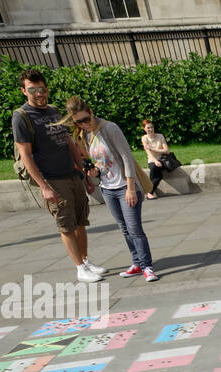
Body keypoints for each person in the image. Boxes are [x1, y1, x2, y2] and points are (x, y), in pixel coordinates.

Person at [12, 69, 101, 283]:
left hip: (71, 174)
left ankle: (86, 261)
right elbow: (25, 154)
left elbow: (69, 142)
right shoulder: (21, 117)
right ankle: (79, 268)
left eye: (41, 89)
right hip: (52, 178)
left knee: (81, 220)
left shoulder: (53, 111)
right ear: (24, 91)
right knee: (66, 223)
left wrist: (82, 171)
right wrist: (43, 186)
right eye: (32, 90)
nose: (38, 94)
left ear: (47, 89)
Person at [69, 97, 158, 282]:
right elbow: (100, 162)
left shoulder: (110, 128)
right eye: (78, 122)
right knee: (124, 229)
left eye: (86, 119)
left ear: (91, 112)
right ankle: (137, 262)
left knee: (135, 229)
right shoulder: (84, 135)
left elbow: (126, 157)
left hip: (125, 186)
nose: (84, 124)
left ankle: (147, 266)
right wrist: (94, 171)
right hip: (107, 188)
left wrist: (131, 188)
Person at [140, 119, 171, 199]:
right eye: (148, 128)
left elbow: (167, 151)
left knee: (156, 170)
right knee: (157, 173)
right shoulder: (144, 138)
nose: (151, 129)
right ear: (144, 129)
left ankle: (148, 192)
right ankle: (149, 193)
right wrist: (155, 161)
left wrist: (152, 148)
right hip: (152, 160)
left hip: (163, 159)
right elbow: (148, 153)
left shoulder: (160, 136)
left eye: (152, 127)